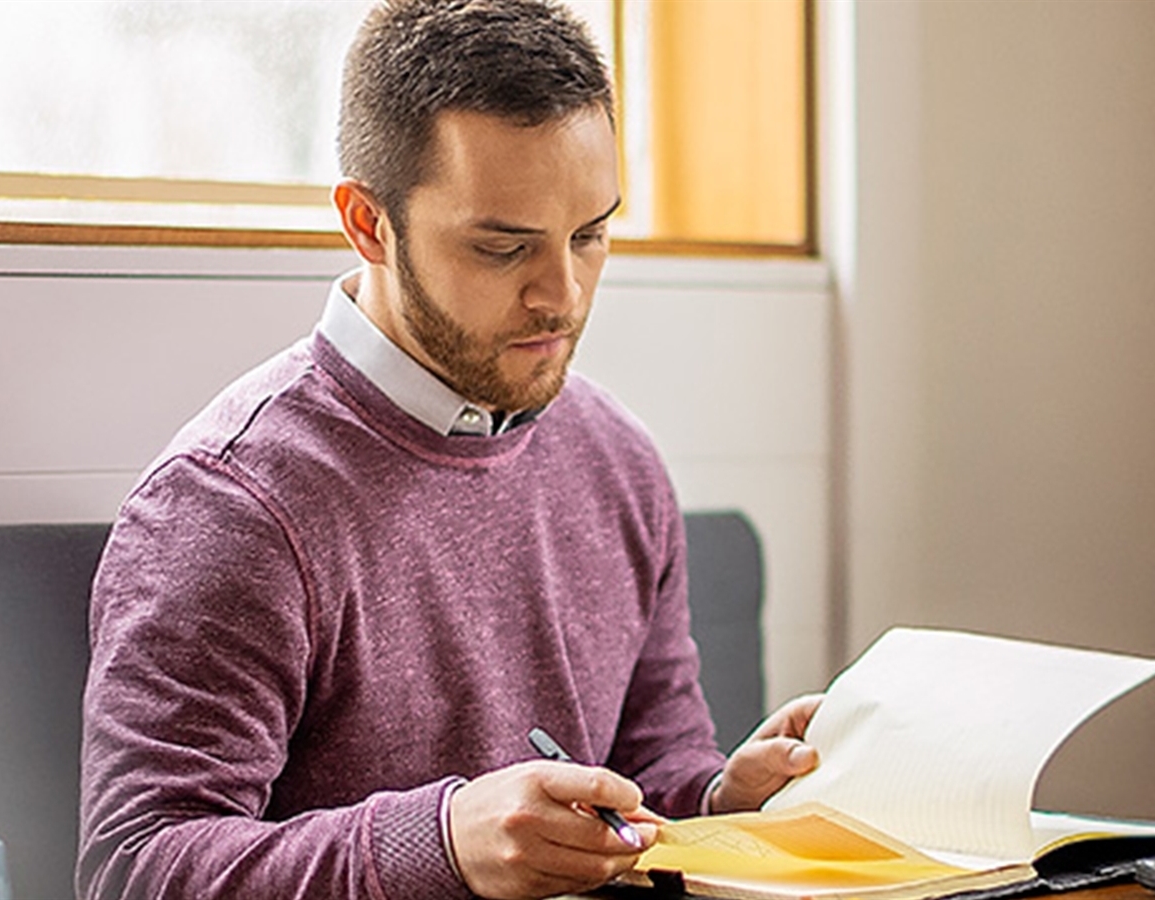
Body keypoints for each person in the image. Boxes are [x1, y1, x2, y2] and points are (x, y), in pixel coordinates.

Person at [75, 1, 820, 897]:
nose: (565, 294)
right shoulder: (230, 507)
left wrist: (719, 798)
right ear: (367, 224)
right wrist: (441, 843)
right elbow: (135, 868)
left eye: (590, 235)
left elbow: (649, 778)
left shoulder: (617, 458)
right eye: (504, 248)